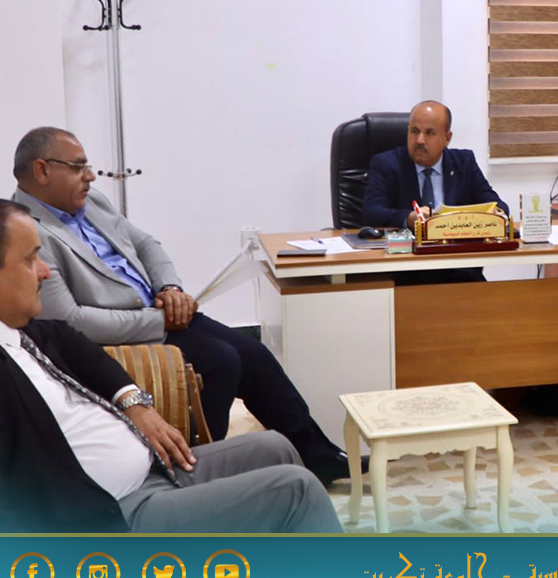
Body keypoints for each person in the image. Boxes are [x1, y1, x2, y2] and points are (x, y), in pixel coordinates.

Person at [11, 127, 351, 485]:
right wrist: (159, 320)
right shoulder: (28, 229)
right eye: (78, 167)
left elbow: (146, 244)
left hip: (160, 314)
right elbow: (70, 320)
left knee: (254, 355)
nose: (91, 176)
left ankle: (319, 456)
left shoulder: (90, 202)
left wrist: (170, 288)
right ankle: (197, 471)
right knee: (221, 362)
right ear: (42, 170)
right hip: (124, 336)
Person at [0, 200, 343, 533]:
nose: (44, 270)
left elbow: (77, 344)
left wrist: (134, 402)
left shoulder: (25, 331)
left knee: (276, 446)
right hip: (112, 515)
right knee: (296, 490)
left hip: (154, 469)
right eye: (30, 259)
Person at [362, 100, 508, 284]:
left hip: (459, 269)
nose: (419, 140)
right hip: (406, 271)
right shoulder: (387, 164)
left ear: (447, 138)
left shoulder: (464, 163)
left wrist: (492, 214)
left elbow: (499, 207)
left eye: (429, 133)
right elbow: (371, 212)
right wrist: (407, 218)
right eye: (414, 131)